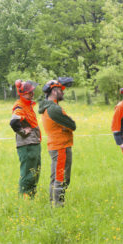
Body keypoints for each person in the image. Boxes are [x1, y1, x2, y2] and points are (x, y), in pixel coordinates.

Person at [39, 77, 76, 206]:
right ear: (54, 91)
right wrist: (67, 126)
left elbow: (68, 124)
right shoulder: (54, 109)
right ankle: (59, 205)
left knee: (55, 176)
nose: (63, 92)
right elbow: (72, 124)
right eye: (61, 90)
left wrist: (66, 126)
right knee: (61, 177)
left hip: (55, 145)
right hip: (61, 146)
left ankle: (52, 202)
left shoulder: (48, 106)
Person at [9, 80, 42, 199]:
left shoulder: (27, 104)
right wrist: (23, 132)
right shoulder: (20, 106)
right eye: (30, 92)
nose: (32, 94)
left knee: (35, 172)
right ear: (22, 93)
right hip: (27, 145)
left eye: (32, 91)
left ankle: (31, 197)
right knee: (28, 172)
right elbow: (13, 122)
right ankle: (24, 198)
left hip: (33, 143)